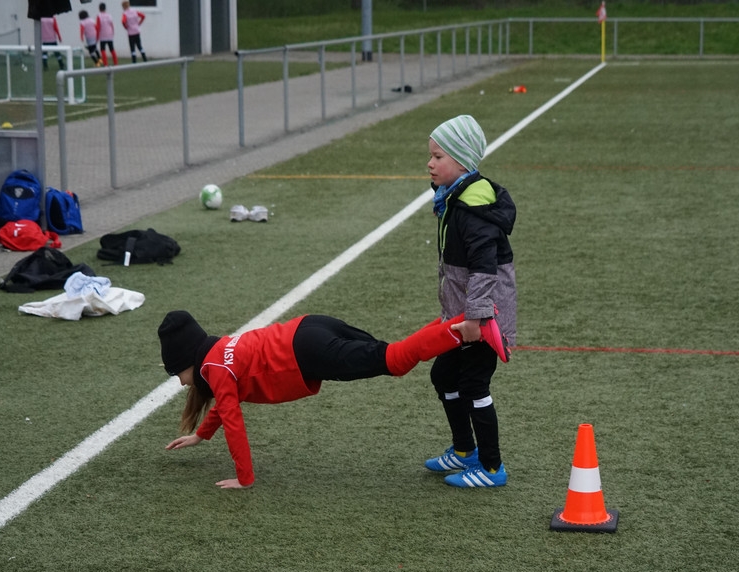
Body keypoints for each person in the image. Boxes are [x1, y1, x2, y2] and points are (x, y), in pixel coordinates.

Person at [159, 310, 504, 490]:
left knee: (395, 361)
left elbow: (233, 419)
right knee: (390, 352)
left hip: (308, 351)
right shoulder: (218, 353)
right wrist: (201, 435)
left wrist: (244, 478)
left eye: (177, 374)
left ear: (188, 361)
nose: (181, 382)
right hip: (311, 326)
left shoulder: (214, 369)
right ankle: (456, 320)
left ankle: (466, 327)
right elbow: (226, 402)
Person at [423, 114, 517, 489]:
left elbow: (483, 268)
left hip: (482, 319)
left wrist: (476, 319)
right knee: (444, 375)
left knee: (475, 385)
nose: (430, 164)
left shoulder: (472, 208)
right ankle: (465, 450)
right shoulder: (455, 198)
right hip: (461, 314)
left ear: (462, 162)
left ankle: (492, 468)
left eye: (438, 157)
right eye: (430, 156)